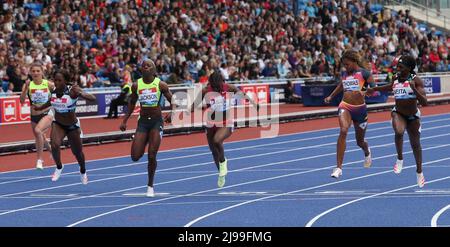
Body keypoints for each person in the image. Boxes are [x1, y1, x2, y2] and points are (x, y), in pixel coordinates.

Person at [367, 55, 427, 187]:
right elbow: (389, 87)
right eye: (397, 66)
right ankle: (400, 159)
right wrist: (374, 89)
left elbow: (425, 102)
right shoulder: (395, 78)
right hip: (398, 112)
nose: (397, 69)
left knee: (415, 145)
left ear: (409, 68)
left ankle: (419, 171)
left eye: (400, 67)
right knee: (399, 131)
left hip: (413, 116)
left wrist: (414, 89)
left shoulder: (416, 80)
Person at [193, 70, 259, 188]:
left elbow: (241, 93)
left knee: (217, 140)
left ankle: (223, 161)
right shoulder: (205, 91)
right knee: (213, 151)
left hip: (225, 122)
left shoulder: (227, 87)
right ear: (211, 84)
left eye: (219, 85)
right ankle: (221, 174)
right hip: (210, 123)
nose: (218, 88)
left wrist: (253, 103)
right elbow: (194, 105)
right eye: (214, 86)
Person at [119, 59, 174, 197]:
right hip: (143, 122)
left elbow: (173, 100)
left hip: (156, 122)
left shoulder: (160, 84)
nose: (146, 67)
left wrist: (172, 113)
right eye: (144, 66)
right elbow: (132, 103)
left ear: (154, 70)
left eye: (149, 66)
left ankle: (150, 186)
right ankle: (145, 140)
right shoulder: (136, 85)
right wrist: (125, 120)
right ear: (141, 70)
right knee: (135, 156)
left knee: (151, 155)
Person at [34, 69, 96, 184]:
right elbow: (50, 102)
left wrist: (81, 93)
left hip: (72, 126)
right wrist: (40, 108)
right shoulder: (53, 91)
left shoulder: (72, 91)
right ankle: (59, 166)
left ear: (65, 81)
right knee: (55, 144)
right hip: (58, 124)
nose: (56, 82)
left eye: (59, 80)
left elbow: (93, 98)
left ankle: (83, 170)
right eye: (55, 80)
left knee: (77, 152)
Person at [324, 50, 376, 178]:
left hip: (360, 109)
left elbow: (374, 88)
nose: (346, 67)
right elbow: (341, 85)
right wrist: (331, 96)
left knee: (360, 141)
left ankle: (366, 150)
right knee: (343, 130)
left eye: (347, 64)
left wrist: (364, 91)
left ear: (354, 61)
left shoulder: (365, 73)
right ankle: (338, 168)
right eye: (344, 65)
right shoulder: (345, 74)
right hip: (345, 106)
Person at [20, 62, 54, 170]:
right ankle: (53, 152)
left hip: (47, 113)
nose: (35, 73)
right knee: (41, 137)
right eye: (33, 71)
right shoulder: (28, 84)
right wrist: (25, 89)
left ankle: (39, 160)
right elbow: (21, 101)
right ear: (30, 72)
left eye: (38, 71)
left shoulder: (48, 84)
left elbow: (58, 94)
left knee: (38, 131)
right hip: (34, 115)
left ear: (42, 72)